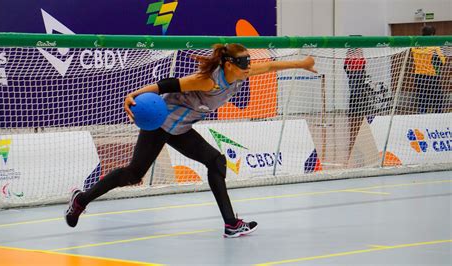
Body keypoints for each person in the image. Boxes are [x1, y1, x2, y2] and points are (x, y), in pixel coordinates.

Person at [65, 43, 317, 238]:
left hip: (182, 130)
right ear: (228, 64)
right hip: (160, 125)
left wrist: (302, 63)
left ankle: (231, 224)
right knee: (134, 174)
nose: (247, 69)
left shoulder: (240, 74)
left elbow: (271, 67)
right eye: (243, 65)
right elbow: (165, 85)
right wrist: (133, 94)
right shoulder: (206, 80)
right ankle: (81, 200)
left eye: (248, 65)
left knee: (216, 162)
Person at [411, 25, 446, 113]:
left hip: (418, 77)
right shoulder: (434, 47)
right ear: (432, 34)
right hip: (432, 76)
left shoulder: (415, 45)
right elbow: (442, 61)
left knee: (422, 100)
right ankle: (438, 119)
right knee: (438, 100)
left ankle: (421, 117)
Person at [344, 48, 371, 159]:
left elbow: (364, 65)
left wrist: (362, 74)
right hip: (353, 74)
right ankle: (352, 111)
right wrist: (349, 73)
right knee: (353, 93)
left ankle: (359, 110)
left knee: (359, 93)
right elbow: (345, 66)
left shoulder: (361, 54)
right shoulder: (349, 53)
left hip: (359, 74)